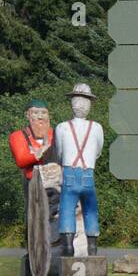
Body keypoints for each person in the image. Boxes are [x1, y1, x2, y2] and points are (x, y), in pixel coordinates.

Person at [9, 100, 63, 276]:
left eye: (43, 113)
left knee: (57, 223)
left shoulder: (57, 134)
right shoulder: (18, 136)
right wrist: (40, 151)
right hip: (34, 186)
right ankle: (37, 268)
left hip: (56, 184)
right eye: (35, 113)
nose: (40, 118)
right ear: (28, 115)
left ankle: (56, 266)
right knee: (35, 224)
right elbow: (22, 159)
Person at [55, 83, 104, 257]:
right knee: (91, 210)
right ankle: (92, 247)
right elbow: (98, 151)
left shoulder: (61, 127)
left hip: (69, 173)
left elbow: (59, 153)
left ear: (72, 103)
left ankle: (68, 247)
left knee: (67, 208)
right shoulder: (97, 128)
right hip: (87, 173)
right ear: (89, 105)